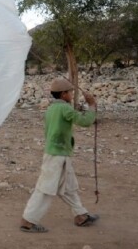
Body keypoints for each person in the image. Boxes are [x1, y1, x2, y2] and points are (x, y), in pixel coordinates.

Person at [20, 78, 98, 233]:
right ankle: (28, 221)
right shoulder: (65, 109)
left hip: (55, 153)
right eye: (70, 92)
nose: (71, 94)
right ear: (63, 95)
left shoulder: (51, 109)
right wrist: (92, 106)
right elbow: (85, 121)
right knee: (45, 188)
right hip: (58, 155)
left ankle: (80, 215)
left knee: (69, 187)